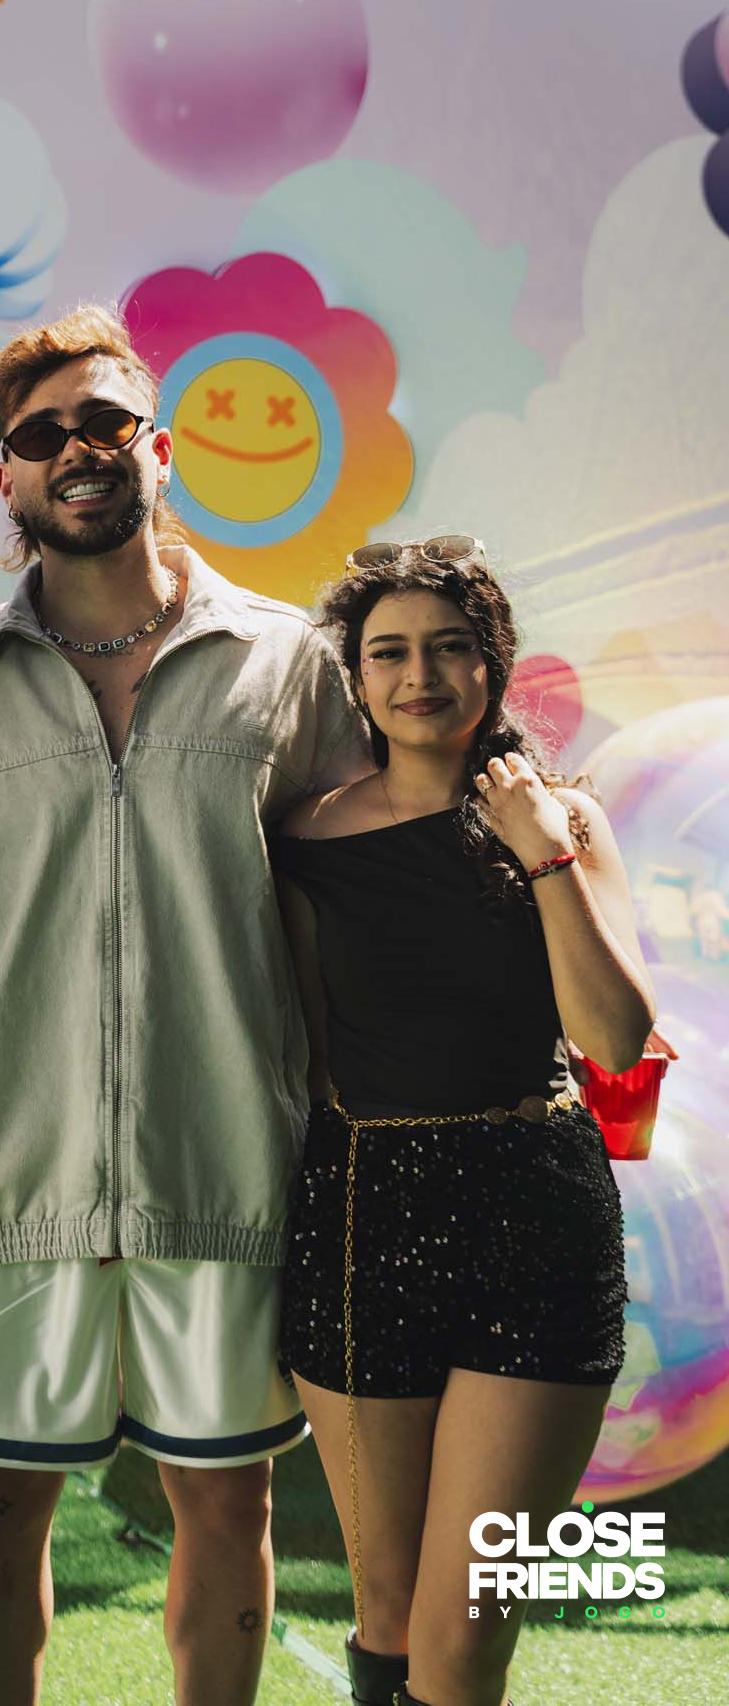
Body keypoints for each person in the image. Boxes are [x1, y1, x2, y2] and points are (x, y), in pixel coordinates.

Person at [0, 305, 367, 1706]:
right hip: (6, 1170)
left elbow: (361, 895)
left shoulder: (289, 660)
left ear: (158, 447)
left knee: (225, 1505)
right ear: (7, 476)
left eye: (104, 421)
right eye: (40, 435)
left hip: (222, 1164)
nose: (77, 450)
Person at [270, 538, 655, 1706]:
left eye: (447, 648)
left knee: (467, 1631)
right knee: (386, 1613)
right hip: (361, 1215)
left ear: (492, 662)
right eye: (386, 653)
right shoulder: (302, 838)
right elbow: (308, 1058)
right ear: (354, 677)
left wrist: (542, 856)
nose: (417, 676)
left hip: (534, 1215)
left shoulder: (565, 820)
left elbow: (612, 1040)